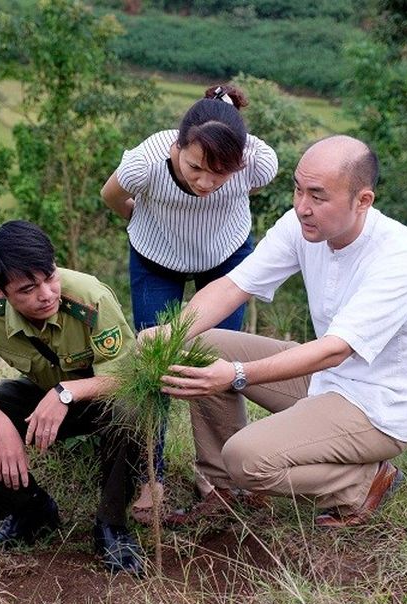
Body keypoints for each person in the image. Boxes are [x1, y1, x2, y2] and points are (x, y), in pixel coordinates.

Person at [149, 135, 407, 528]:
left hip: (376, 407)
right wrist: (172, 333)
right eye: (298, 190)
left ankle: (362, 482)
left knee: (246, 458)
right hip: (325, 379)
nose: (302, 207)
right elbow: (235, 286)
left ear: (363, 201)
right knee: (198, 346)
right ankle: (226, 494)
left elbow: (335, 350)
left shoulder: (399, 256)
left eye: (318, 196)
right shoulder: (301, 225)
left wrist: (236, 373)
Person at [100, 83, 279, 517]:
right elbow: (111, 196)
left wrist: (215, 211)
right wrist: (148, 219)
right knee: (155, 358)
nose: (206, 182)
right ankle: (150, 475)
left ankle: (217, 478)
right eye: (196, 167)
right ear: (178, 145)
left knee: (214, 361)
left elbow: (244, 189)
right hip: (156, 256)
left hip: (225, 256)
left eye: (221, 174)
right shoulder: (144, 163)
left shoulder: (259, 162)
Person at [0, 220, 143, 575]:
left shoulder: (90, 297)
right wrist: (0, 424)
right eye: (28, 289)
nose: (46, 294)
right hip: (38, 396)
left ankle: (113, 526)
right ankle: (31, 514)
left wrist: (66, 393)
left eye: (50, 277)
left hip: (95, 396)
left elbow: (125, 376)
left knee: (129, 407)